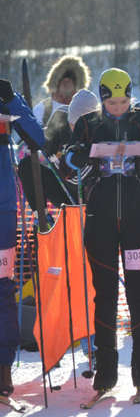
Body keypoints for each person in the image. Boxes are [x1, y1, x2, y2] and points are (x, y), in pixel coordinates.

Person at [63, 68, 140, 393]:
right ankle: (105, 371)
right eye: (113, 102)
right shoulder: (88, 124)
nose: (119, 107)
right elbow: (66, 161)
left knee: (139, 293)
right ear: (102, 99)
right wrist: (72, 156)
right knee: (104, 297)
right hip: (100, 219)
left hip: (136, 219)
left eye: (124, 100)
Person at [0, 78, 45, 397]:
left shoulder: (5, 100)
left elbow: (37, 138)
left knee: (3, 288)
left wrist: (12, 100)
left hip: (2, 209)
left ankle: (3, 367)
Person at [17, 89, 99, 218]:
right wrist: (40, 143)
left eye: (81, 128)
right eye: (72, 125)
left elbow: (75, 180)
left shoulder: (98, 131)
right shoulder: (60, 116)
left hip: (86, 195)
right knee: (27, 166)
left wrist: (54, 154)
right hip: (63, 189)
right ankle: (43, 219)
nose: (76, 131)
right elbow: (46, 141)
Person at [34, 55, 91, 127]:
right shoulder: (43, 109)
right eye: (63, 81)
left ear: (75, 83)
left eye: (69, 81)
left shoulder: (84, 107)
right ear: (57, 83)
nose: (66, 84)